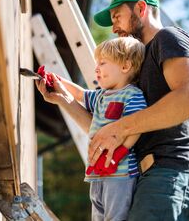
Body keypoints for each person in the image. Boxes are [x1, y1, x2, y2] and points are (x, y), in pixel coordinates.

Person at [38, 0, 189, 221]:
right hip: (142, 178)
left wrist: (118, 129)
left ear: (140, 8)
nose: (115, 27)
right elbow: (104, 131)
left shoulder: (168, 38)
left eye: (117, 16)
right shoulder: (134, 69)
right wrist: (63, 99)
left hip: (171, 173)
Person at [38, 37, 147, 221]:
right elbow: (80, 94)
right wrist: (58, 82)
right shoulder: (101, 96)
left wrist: (122, 150)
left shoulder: (132, 95)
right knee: (98, 214)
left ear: (125, 66)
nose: (96, 68)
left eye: (103, 63)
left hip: (120, 172)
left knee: (116, 216)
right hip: (96, 172)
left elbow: (136, 127)